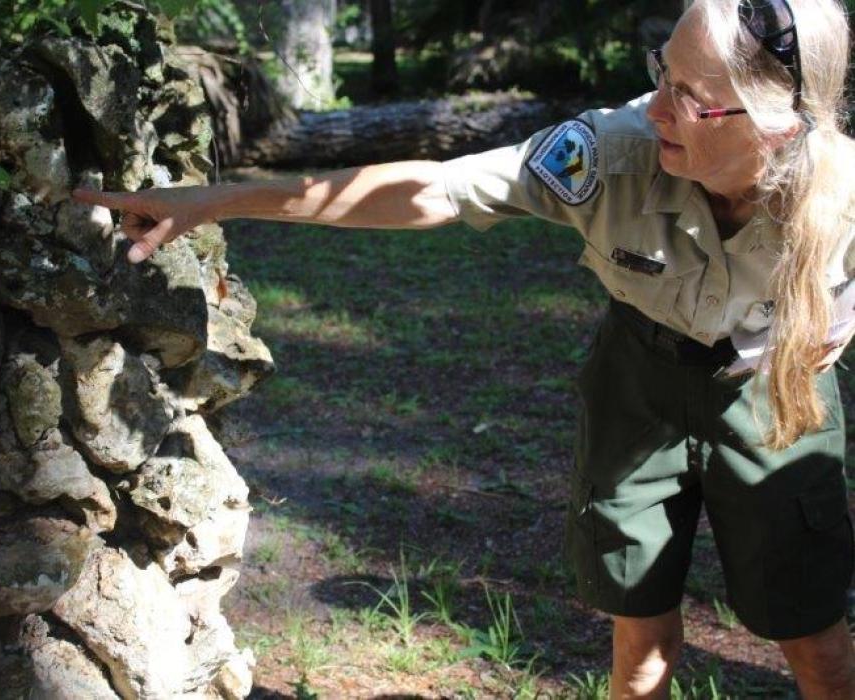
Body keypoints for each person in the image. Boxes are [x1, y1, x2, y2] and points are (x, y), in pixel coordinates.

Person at [75, 0, 855, 696]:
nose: (654, 107)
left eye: (690, 98)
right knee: (641, 640)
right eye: (662, 73)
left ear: (773, 122)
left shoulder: (841, 191)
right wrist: (220, 200)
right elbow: (431, 191)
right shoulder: (610, 152)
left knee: (812, 640)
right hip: (638, 384)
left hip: (775, 389)